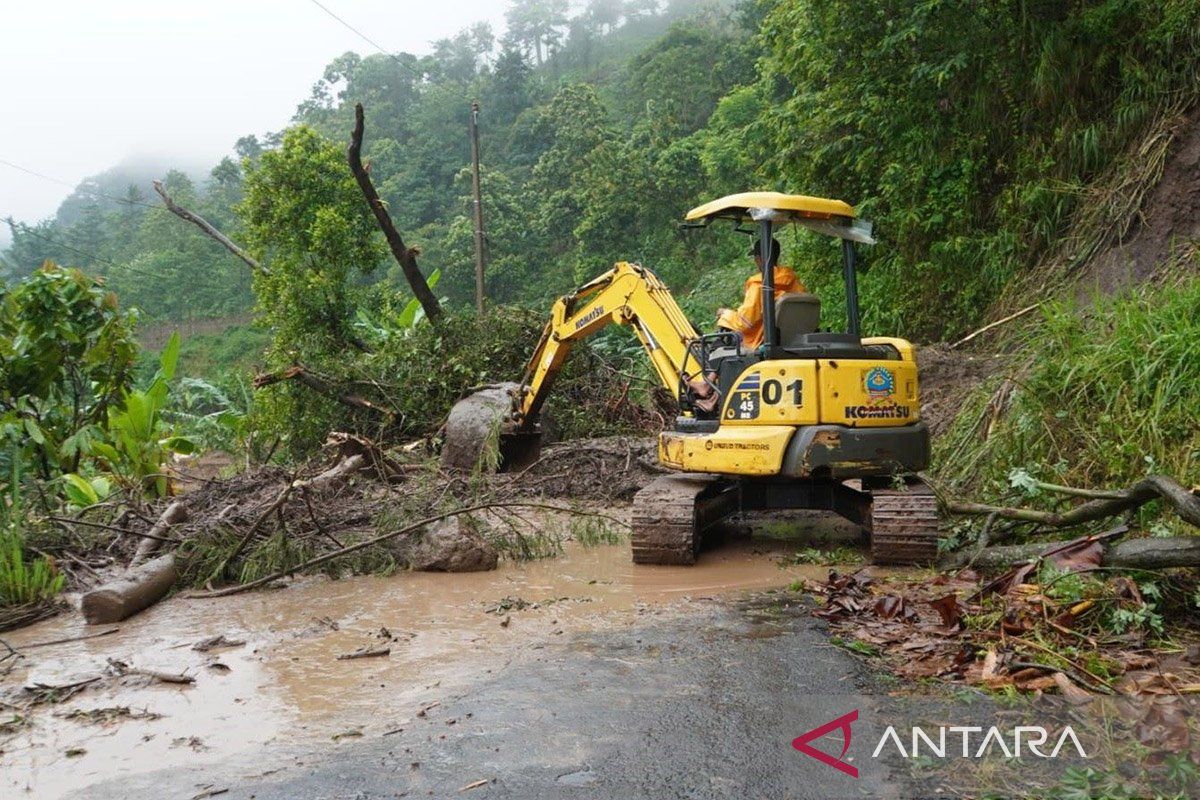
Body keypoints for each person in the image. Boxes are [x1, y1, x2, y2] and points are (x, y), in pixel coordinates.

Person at [716, 237, 806, 349]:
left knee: (718, 346)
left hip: (761, 342)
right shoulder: (794, 282)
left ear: (758, 259)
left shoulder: (760, 285)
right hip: (792, 340)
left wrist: (725, 314)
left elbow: (745, 322)